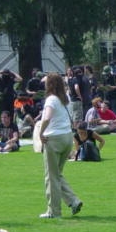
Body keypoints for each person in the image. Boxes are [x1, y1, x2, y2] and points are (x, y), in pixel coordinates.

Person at [38, 72, 83, 218]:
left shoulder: (51, 99)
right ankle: (73, 201)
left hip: (54, 138)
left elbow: (47, 118)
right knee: (57, 174)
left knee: (51, 177)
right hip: (67, 137)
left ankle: (54, 211)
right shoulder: (65, 98)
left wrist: (41, 132)